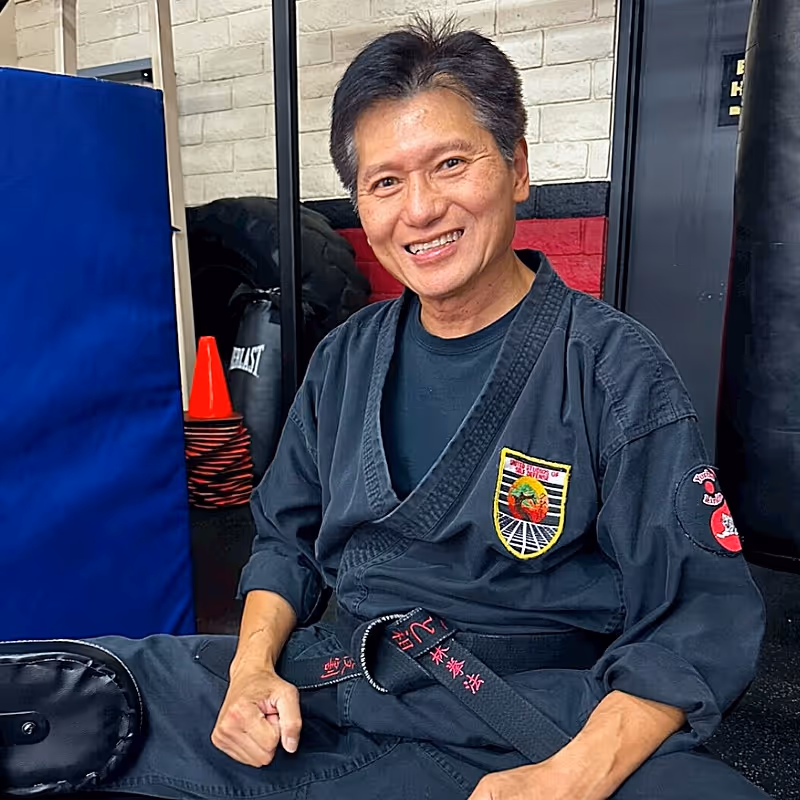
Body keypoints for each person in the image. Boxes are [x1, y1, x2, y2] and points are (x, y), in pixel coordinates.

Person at [3, 17, 769, 800]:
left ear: (517, 168)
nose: (421, 209)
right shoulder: (345, 358)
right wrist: (253, 668)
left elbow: (696, 615)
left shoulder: (612, 366)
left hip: (525, 722)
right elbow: (284, 539)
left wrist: (568, 779)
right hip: (334, 689)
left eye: (450, 164)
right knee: (70, 699)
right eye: (385, 182)